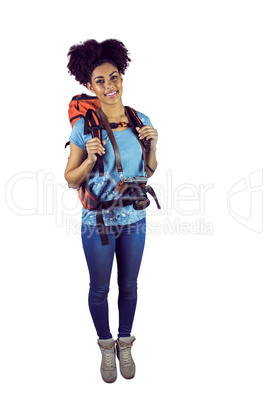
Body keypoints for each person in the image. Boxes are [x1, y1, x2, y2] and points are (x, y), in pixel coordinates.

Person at [64, 39, 158, 383]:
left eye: (114, 77)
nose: (109, 86)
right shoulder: (83, 127)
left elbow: (149, 171)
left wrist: (152, 145)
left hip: (135, 218)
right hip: (98, 222)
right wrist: (89, 157)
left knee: (130, 286)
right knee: (100, 289)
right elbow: (71, 179)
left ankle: (126, 342)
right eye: (100, 81)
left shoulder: (139, 119)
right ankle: (106, 345)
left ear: (122, 77)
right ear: (89, 86)